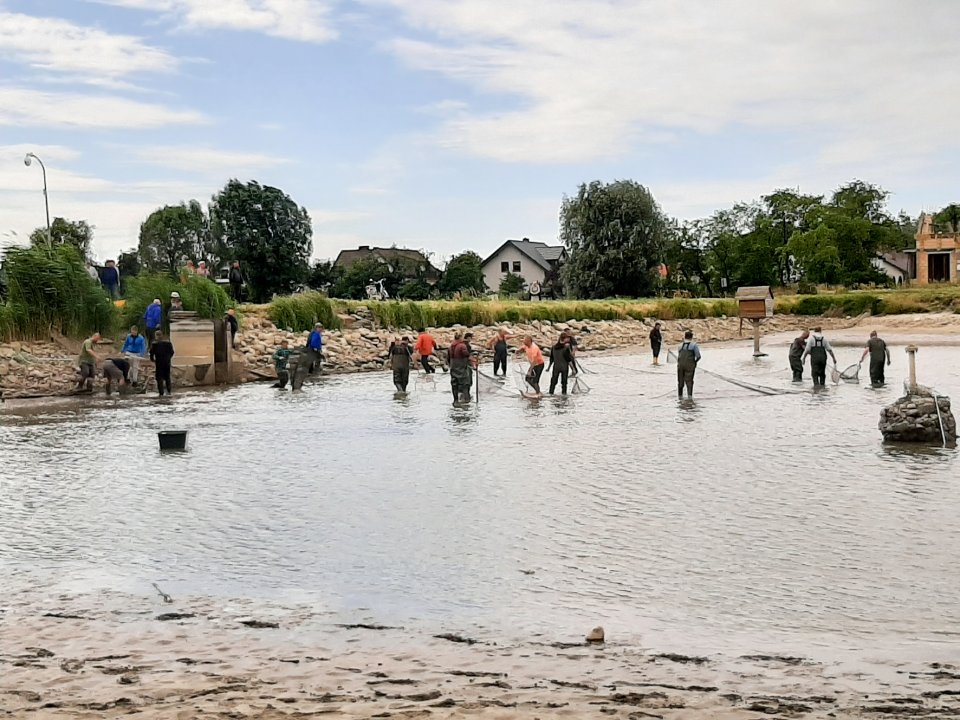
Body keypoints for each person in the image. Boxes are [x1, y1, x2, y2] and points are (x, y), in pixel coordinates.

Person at [448, 333, 474, 403]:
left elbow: (448, 359)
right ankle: (467, 401)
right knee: (466, 384)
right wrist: (474, 362)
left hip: (453, 368)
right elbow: (467, 355)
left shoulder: (451, 346)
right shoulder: (462, 346)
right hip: (462, 368)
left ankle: (455, 400)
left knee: (454, 385)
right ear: (460, 338)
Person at [676, 329, 701, 398]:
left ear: (685, 337)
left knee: (680, 382)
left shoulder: (680, 345)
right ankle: (690, 397)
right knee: (689, 382)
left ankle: (680, 397)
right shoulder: (694, 345)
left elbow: (679, 355)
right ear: (691, 337)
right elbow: (698, 356)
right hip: (690, 366)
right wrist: (694, 362)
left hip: (680, 365)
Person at [150, 330, 175, 396]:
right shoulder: (168, 343)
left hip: (159, 362)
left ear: (156, 336)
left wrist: (152, 359)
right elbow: (172, 352)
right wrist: (169, 358)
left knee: (159, 378)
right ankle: (169, 391)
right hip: (167, 362)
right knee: (167, 377)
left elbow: (151, 353)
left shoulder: (154, 344)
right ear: (162, 335)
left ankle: (161, 393)